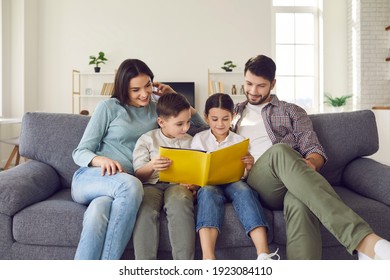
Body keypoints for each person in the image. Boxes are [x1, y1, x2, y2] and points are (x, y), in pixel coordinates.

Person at [231, 54, 390, 260]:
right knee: (280, 151)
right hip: (258, 182)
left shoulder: (292, 111)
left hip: (294, 180)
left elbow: (314, 148)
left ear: (273, 84)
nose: (253, 91)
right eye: (249, 84)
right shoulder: (232, 113)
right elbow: (198, 129)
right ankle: (365, 242)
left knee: (300, 202)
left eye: (261, 86)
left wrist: (310, 164)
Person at [71, 58, 204, 260]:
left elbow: (199, 127)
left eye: (148, 85)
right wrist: (100, 160)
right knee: (132, 186)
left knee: (98, 212)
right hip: (95, 177)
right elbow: (80, 152)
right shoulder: (108, 107)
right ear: (124, 89)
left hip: (122, 187)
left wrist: (175, 96)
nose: (144, 93)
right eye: (135, 90)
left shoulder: (157, 106)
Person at [191, 93, 279, 260]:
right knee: (208, 193)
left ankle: (263, 254)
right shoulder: (198, 139)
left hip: (233, 182)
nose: (220, 124)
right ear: (206, 117)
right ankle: (208, 258)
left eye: (225, 119)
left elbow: (244, 174)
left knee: (245, 192)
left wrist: (249, 165)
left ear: (232, 117)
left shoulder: (240, 140)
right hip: (209, 184)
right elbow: (194, 168)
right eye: (214, 119)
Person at [132, 93, 196, 260]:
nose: (186, 128)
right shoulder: (147, 140)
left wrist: (194, 186)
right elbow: (138, 175)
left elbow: (198, 172)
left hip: (177, 186)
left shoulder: (192, 142)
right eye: (180, 124)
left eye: (188, 122)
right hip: (150, 185)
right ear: (162, 122)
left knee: (180, 201)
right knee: (144, 209)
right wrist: (152, 165)